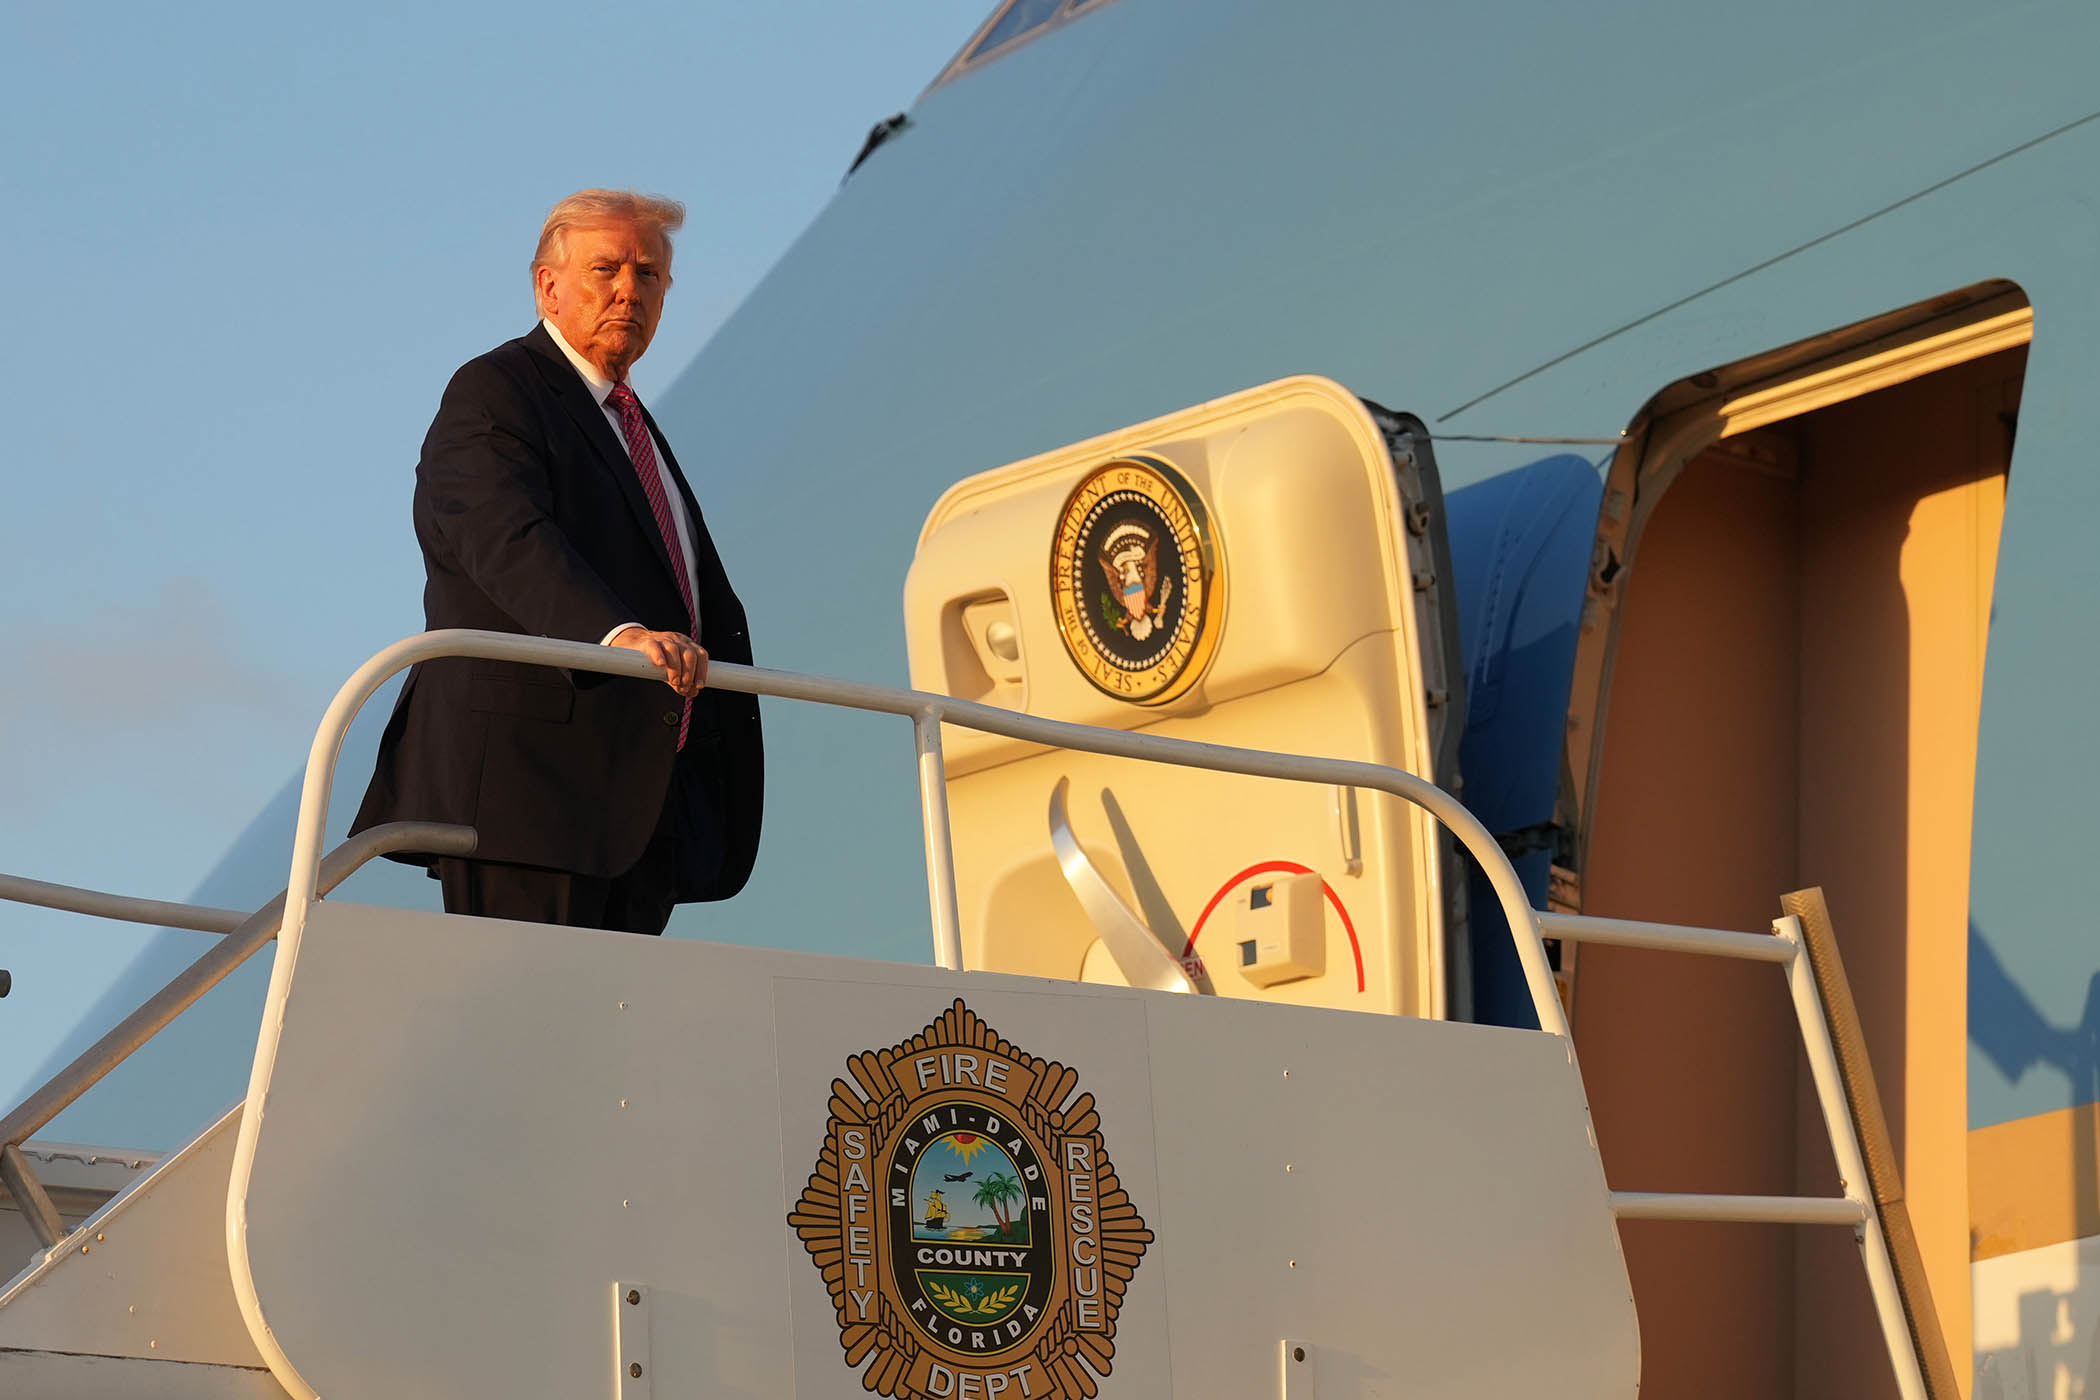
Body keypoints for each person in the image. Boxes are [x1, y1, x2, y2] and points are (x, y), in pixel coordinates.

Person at [351, 189, 762, 934]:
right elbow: (502, 537)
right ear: (549, 286)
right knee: (525, 1035)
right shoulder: (496, 391)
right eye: (606, 269)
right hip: (529, 792)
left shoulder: (632, 422)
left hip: (638, 799)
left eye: (648, 275)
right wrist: (617, 635)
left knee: (613, 1039)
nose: (629, 291)